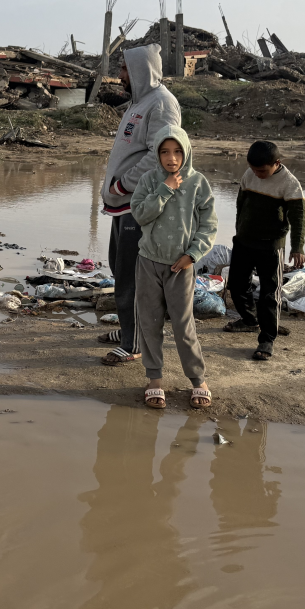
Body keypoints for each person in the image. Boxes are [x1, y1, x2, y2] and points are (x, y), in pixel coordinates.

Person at [98, 45, 182, 367]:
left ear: (141, 70)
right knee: (118, 267)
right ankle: (128, 329)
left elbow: (161, 155)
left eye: (124, 70)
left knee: (132, 276)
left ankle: (134, 344)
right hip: (124, 203)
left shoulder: (162, 104)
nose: (120, 76)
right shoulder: (140, 103)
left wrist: (124, 183)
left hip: (140, 203)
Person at [129, 126, 218, 409]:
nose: (172, 158)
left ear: (187, 152)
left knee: (183, 324)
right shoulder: (148, 180)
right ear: (157, 154)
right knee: (150, 321)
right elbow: (140, 215)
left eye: (178, 151)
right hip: (148, 262)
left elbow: (209, 225)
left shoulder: (198, 183)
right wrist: (165, 189)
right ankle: (154, 380)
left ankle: (198, 380)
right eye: (165, 152)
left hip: (181, 267)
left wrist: (192, 255)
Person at [223, 140, 305, 361]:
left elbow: (298, 218)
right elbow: (241, 205)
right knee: (237, 284)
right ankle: (250, 320)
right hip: (244, 241)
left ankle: (267, 338)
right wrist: (239, 232)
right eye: (253, 168)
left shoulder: (289, 184)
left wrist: (298, 247)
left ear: (276, 163)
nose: (256, 174)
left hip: (270, 245)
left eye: (261, 170)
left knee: (270, 294)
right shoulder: (249, 176)